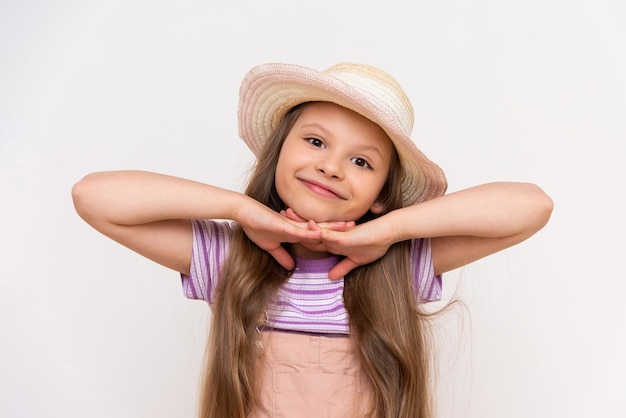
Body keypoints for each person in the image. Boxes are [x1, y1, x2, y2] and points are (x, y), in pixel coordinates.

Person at [72, 62, 553, 418]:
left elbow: (531, 206)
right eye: (316, 142)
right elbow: (94, 196)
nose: (330, 166)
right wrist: (240, 210)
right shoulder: (230, 259)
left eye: (361, 162)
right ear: (278, 152)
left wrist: (388, 232)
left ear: (382, 197)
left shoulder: (394, 269)